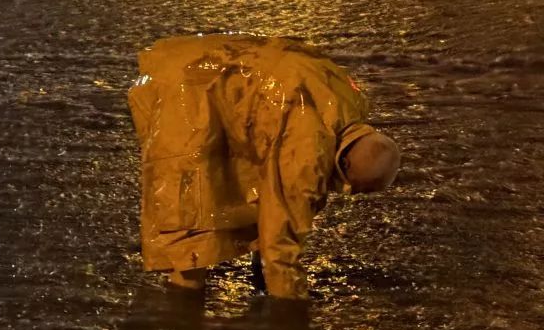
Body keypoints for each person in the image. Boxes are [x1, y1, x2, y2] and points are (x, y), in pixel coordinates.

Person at [128, 34, 401, 300]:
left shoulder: (349, 101)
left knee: (253, 187)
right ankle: (181, 306)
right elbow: (281, 233)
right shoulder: (307, 148)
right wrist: (290, 307)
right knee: (190, 216)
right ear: (342, 165)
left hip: (207, 67)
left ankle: (214, 293)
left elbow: (270, 187)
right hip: (184, 91)